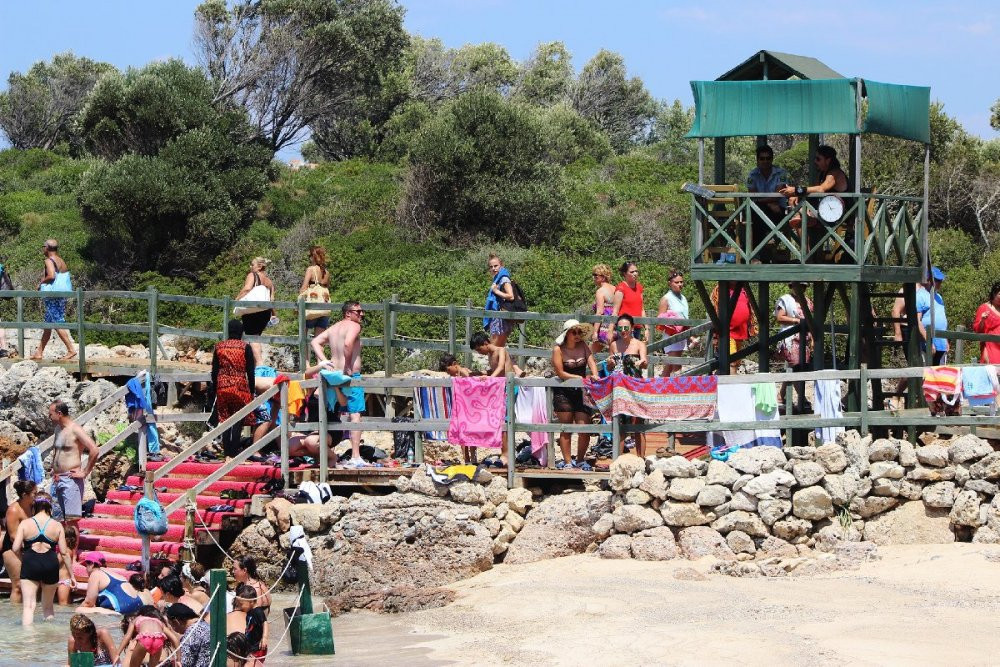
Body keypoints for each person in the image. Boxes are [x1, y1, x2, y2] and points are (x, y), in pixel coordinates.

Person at [311, 300, 366, 468]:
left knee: (331, 412)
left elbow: (315, 342)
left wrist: (324, 361)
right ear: (348, 313)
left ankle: (324, 455)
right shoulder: (354, 326)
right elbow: (348, 343)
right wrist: (348, 365)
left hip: (333, 375)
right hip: (349, 376)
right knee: (355, 414)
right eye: (358, 311)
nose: (361, 314)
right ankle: (355, 456)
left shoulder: (333, 328)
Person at [12, 491, 72, 625]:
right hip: (50, 563)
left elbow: (15, 548)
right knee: (48, 607)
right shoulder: (57, 525)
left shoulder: (26, 523)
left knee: (28, 606)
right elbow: (64, 552)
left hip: (30, 562)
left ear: (35, 505)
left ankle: (28, 641)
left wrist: (23, 559)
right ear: (50, 506)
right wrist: (72, 576)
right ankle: (48, 640)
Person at [778, 145, 850, 256]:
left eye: (818, 159)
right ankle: (809, 255)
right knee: (799, 214)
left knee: (802, 220)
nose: (815, 161)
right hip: (825, 212)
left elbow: (821, 189)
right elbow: (813, 190)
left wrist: (797, 190)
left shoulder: (834, 174)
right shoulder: (822, 174)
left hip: (841, 214)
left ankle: (809, 255)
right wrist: (797, 196)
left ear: (828, 160)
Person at [551, 320, 599, 471]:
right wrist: (579, 378)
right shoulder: (558, 350)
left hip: (582, 391)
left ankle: (579, 460)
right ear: (567, 334)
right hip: (563, 391)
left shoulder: (583, 346)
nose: (578, 335)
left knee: (584, 427)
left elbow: (592, 362)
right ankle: (567, 461)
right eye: (574, 332)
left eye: (579, 332)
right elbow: (560, 372)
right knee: (566, 428)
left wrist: (595, 375)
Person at [48, 399, 99, 532]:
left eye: (50, 414)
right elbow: (57, 450)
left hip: (70, 480)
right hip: (57, 479)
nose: (49, 417)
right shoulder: (58, 429)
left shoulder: (75, 429)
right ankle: (62, 550)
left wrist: (85, 472)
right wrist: (54, 467)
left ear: (59, 413)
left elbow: (94, 450)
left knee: (71, 521)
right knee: (57, 519)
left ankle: (73, 553)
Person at [467, 332, 514, 465]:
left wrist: (490, 378)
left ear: (485, 343)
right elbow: (494, 370)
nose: (479, 352)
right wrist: (480, 373)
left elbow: (500, 368)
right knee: (500, 420)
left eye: (479, 349)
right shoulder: (489, 355)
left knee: (506, 420)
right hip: (500, 389)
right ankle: (504, 452)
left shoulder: (501, 350)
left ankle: (506, 454)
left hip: (509, 387)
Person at [212, 320, 256, 459]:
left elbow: (214, 371)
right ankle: (234, 453)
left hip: (222, 386)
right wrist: (252, 390)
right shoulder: (245, 347)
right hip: (240, 387)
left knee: (225, 419)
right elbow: (250, 371)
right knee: (238, 420)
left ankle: (226, 454)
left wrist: (214, 390)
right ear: (241, 332)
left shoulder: (219, 347)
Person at [606, 314, 648, 457]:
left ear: (631, 328)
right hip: (620, 390)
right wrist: (610, 364)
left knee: (639, 425)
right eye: (620, 328)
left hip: (636, 388)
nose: (623, 331)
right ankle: (617, 462)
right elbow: (611, 367)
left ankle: (641, 460)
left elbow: (645, 361)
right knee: (621, 426)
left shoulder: (639, 344)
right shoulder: (614, 345)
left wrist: (642, 362)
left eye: (626, 328)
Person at [32, 238, 77, 360]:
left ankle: (71, 350)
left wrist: (41, 282)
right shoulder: (61, 260)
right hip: (61, 294)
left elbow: (51, 275)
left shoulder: (48, 260)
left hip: (52, 296)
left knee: (57, 322)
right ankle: (39, 352)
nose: (42, 249)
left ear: (47, 248)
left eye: (43, 246)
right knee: (48, 324)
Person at [746, 145, 789, 259]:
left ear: (772, 159)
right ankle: (759, 252)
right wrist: (769, 203)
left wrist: (764, 201)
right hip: (760, 211)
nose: (765, 161)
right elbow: (752, 196)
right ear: (757, 160)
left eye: (768, 158)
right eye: (762, 158)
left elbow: (778, 195)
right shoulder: (752, 175)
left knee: (756, 214)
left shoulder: (781, 173)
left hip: (778, 212)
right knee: (756, 214)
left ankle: (755, 255)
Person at [774, 282, 813, 408]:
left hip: (804, 338)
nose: (800, 288)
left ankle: (781, 395)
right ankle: (802, 398)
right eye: (798, 286)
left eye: (803, 286)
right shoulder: (785, 300)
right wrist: (796, 321)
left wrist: (811, 337)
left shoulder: (808, 301)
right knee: (795, 366)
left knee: (798, 368)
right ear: (792, 286)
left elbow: (810, 320)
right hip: (790, 337)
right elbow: (780, 317)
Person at [2, 479, 36, 605]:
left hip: (27, 547)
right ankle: (14, 614)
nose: (36, 496)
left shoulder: (32, 507)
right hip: (12, 549)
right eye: (34, 493)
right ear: (24, 495)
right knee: (17, 586)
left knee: (29, 584)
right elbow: (13, 536)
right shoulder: (14, 510)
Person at [236, 257, 275, 365]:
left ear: (259, 266)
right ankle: (252, 365)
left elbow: (247, 288)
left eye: (252, 264)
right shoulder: (269, 281)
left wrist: (236, 300)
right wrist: (274, 315)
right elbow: (272, 300)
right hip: (265, 313)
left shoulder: (252, 275)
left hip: (252, 311)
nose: (250, 267)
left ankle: (259, 364)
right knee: (255, 337)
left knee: (252, 337)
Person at [79, 551, 143, 615]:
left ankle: (115, 613)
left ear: (92, 564)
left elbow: (88, 603)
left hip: (123, 609)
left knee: (80, 610)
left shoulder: (95, 573)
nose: (86, 569)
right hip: (139, 606)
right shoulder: (116, 575)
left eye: (86, 566)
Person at [710, 284, 755, 374]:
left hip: (740, 332)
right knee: (732, 361)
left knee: (737, 361)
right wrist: (715, 334)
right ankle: (731, 385)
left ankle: (725, 382)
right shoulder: (720, 289)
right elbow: (714, 310)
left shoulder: (744, 289)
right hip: (727, 332)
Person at [658, 270, 696, 376]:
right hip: (671, 335)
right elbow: (660, 319)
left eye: (681, 282)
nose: (680, 284)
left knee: (670, 364)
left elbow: (685, 317)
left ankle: (660, 387)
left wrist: (690, 335)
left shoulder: (683, 298)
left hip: (682, 334)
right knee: (676, 365)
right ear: (670, 283)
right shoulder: (666, 299)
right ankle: (676, 387)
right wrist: (673, 327)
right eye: (676, 282)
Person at [230, 583, 269, 665]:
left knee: (255, 663)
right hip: (251, 645)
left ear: (251, 602)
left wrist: (264, 638)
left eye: (241, 604)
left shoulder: (258, 611)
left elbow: (265, 623)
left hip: (258, 646)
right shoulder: (249, 611)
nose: (240, 607)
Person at [484, 253, 516, 348]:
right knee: (499, 350)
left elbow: (511, 296)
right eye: (491, 267)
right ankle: (507, 363)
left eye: (496, 266)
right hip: (498, 318)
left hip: (500, 319)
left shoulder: (504, 278)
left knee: (493, 349)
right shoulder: (497, 279)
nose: (494, 268)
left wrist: (496, 291)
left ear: (501, 265)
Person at [917, 267, 949, 365]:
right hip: (928, 344)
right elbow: (917, 321)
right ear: (928, 279)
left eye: (940, 280)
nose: (939, 283)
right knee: (926, 375)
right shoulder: (920, 295)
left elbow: (942, 319)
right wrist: (928, 342)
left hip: (941, 343)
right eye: (937, 280)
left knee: (940, 374)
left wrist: (946, 340)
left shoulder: (939, 297)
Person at [166, 602, 212, 667]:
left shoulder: (191, 633)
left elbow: (184, 662)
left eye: (172, 625)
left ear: (176, 622)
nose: (174, 629)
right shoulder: (205, 625)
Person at [299, 245, 331, 336]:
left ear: (313, 256)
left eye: (309, 256)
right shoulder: (326, 272)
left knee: (303, 337)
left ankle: (304, 350)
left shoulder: (311, 269)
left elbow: (303, 288)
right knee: (319, 341)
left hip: (313, 309)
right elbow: (326, 288)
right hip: (324, 309)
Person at [611, 262, 646, 340]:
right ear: (625, 273)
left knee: (635, 351)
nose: (635, 274)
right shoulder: (621, 288)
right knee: (626, 351)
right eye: (632, 272)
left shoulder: (639, 287)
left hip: (637, 326)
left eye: (636, 271)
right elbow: (615, 311)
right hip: (624, 327)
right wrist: (610, 330)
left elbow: (642, 309)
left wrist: (646, 328)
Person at [591, 263, 617, 352]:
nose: (593, 278)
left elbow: (599, 312)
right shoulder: (616, 289)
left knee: (589, 354)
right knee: (613, 353)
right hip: (615, 326)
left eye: (595, 275)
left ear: (603, 277)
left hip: (604, 327)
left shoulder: (600, 291)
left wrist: (595, 332)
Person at [974, 282, 1000, 363]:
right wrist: (982, 320)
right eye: (999, 294)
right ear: (994, 294)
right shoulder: (984, 308)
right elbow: (977, 330)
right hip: (990, 346)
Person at [57, 524, 79, 605]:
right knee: (65, 603)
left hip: (63, 582)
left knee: (63, 605)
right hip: (64, 580)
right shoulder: (70, 550)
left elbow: (55, 563)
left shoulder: (65, 552)